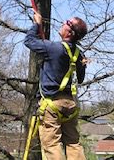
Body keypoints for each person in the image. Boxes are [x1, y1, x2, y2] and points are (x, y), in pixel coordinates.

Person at [24, 11, 88, 160]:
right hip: (70, 105)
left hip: (51, 105)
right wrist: (82, 65)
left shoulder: (53, 48)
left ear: (69, 31)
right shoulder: (79, 54)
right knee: (73, 143)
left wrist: (37, 23)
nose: (62, 23)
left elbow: (29, 41)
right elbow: (80, 78)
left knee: (52, 145)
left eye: (66, 22)